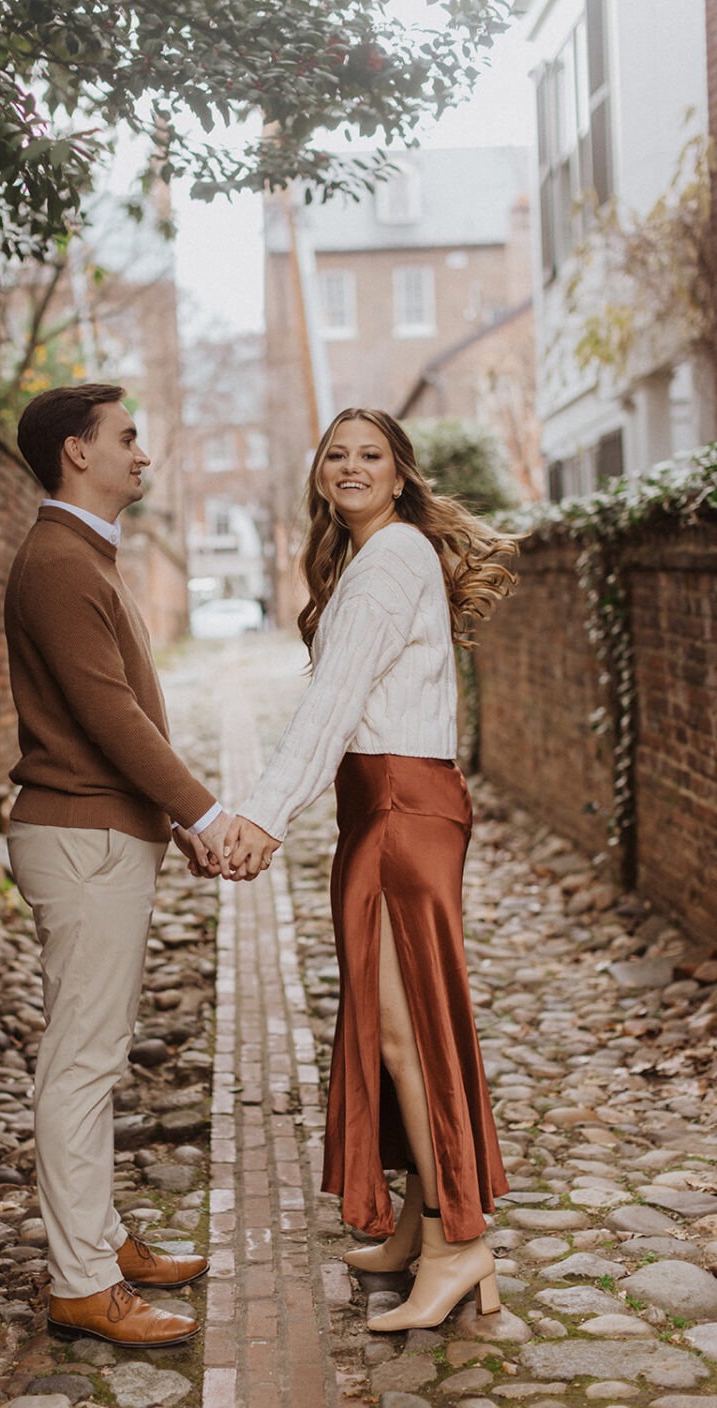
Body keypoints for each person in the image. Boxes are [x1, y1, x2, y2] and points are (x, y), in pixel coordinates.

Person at [225, 408, 517, 1332]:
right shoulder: (375, 560)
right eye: (336, 454)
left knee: (407, 1036)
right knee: (390, 1022)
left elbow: (336, 707)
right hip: (385, 809)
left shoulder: (390, 561)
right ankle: (425, 1224)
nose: (350, 467)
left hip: (399, 812)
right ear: (320, 475)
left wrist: (263, 817)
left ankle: (459, 1248)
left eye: (371, 456)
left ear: (400, 476)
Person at [4, 383, 232, 1348]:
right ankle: (83, 1283)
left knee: (94, 1057)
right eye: (126, 439)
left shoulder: (84, 556)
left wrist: (165, 818)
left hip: (104, 831)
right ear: (75, 451)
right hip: (82, 838)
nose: (142, 454)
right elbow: (109, 716)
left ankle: (97, 1240)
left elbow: (115, 717)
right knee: (80, 1063)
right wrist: (205, 811)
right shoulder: (59, 564)